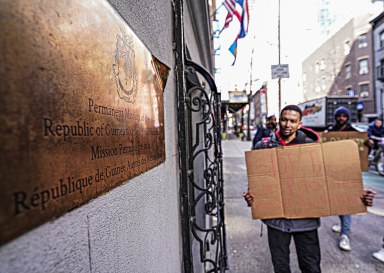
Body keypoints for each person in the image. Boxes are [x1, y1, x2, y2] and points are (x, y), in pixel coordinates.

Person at [243, 105, 375, 273]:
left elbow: (336, 179)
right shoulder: (263, 147)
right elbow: (257, 181)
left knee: (311, 267)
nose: (287, 124)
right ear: (278, 121)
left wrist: (359, 196)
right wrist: (252, 197)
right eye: (284, 120)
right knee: (280, 267)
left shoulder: (314, 149)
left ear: (299, 124)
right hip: (276, 222)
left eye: (292, 121)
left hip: (306, 222)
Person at [327, 106, 358, 251]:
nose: (341, 118)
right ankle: (342, 225)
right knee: (338, 202)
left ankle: (345, 234)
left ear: (347, 117)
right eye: (339, 116)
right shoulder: (330, 131)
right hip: (334, 172)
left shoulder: (355, 133)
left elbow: (363, 149)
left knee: (345, 203)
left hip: (349, 173)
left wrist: (368, 144)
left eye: (344, 116)